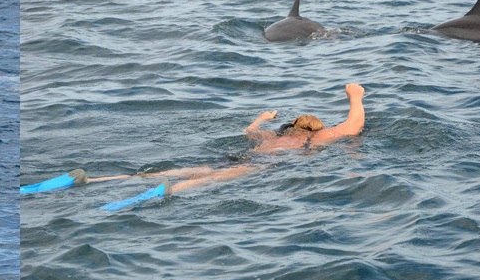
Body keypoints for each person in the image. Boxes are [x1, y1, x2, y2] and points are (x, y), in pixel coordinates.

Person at [22, 83, 366, 211]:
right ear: (314, 129)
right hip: (258, 168)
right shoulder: (313, 140)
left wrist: (263, 117)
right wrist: (356, 95)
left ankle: (89, 180)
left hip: (235, 155)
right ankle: (162, 192)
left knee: (162, 170)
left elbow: (248, 130)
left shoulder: (273, 135)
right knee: (205, 182)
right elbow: (353, 126)